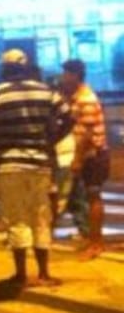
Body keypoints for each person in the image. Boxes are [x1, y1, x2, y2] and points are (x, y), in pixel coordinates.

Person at [0, 49, 72, 289]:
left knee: (16, 218)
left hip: (9, 164)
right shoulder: (46, 91)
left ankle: (21, 274)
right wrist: (51, 141)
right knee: (41, 217)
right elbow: (69, 118)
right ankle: (44, 273)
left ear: (5, 68)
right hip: (40, 163)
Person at [60, 59, 110, 260]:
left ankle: (96, 243)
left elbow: (87, 134)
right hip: (89, 155)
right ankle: (92, 240)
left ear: (75, 75)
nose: (63, 78)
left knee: (93, 197)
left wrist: (78, 159)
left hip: (93, 156)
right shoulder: (76, 97)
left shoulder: (86, 99)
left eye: (65, 74)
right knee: (89, 198)